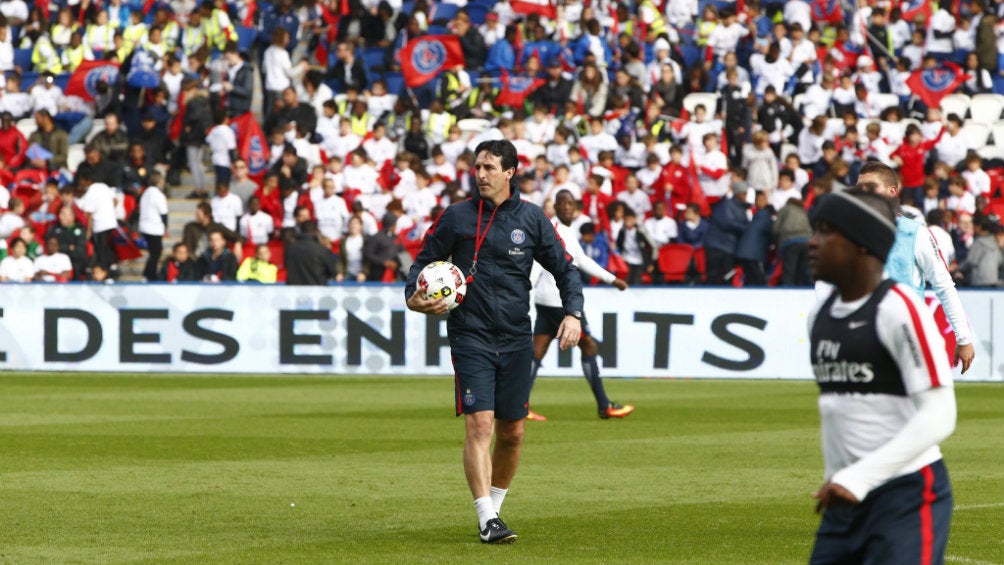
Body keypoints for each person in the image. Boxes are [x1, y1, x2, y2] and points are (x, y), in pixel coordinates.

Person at [404, 140, 583, 544]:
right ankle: (486, 517)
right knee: (480, 425)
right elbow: (421, 263)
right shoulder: (456, 217)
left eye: (488, 167)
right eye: (476, 167)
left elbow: (565, 269)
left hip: (518, 337)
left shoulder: (533, 219)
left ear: (509, 172)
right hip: (471, 336)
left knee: (513, 433)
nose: (480, 174)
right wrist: (413, 297)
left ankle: (494, 511)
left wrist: (573, 313)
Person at [806, 189, 956, 565]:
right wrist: (837, 475)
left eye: (826, 232)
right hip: (844, 498)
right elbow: (837, 407)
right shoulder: (820, 312)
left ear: (861, 245)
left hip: (905, 495)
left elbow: (940, 414)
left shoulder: (901, 310)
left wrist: (858, 477)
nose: (813, 242)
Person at [855, 162, 975, 373]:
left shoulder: (915, 233)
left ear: (892, 191)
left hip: (905, 341)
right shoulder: (848, 232)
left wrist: (963, 338)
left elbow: (944, 286)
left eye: (871, 186)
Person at [527, 190, 633, 421]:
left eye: (570, 203)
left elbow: (581, 259)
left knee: (537, 351)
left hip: (546, 301)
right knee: (588, 345)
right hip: (559, 302)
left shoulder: (565, 230)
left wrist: (611, 279)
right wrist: (528, 285)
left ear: (575, 208)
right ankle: (605, 406)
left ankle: (519, 405)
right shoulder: (554, 229)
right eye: (562, 203)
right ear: (554, 206)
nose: (566, 207)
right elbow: (538, 261)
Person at [285, 220, 338, 285]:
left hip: (295, 291)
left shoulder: (290, 248)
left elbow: (287, 266)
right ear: (315, 231)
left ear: (300, 230)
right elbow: (332, 271)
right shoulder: (322, 250)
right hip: (317, 290)